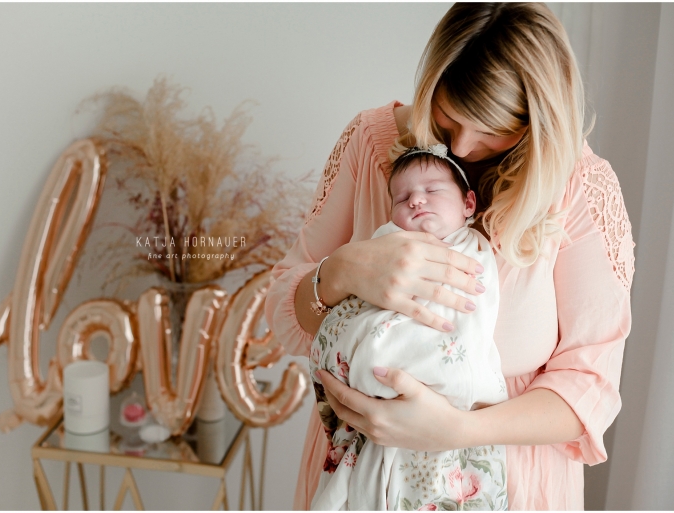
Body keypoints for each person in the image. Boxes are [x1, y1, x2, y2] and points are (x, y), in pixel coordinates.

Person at [265, 3, 635, 510]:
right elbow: (282, 314)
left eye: (492, 128)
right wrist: (342, 272)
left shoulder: (581, 191)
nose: (461, 145)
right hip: (357, 477)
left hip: (510, 480)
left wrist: (457, 430)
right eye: (451, 115)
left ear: (538, 119)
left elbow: (590, 388)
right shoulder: (371, 143)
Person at [309, 145, 508, 510]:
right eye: (402, 198)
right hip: (372, 406)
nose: (416, 200)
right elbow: (355, 311)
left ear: (468, 204)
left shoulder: (475, 249)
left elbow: (473, 319)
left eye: (432, 190)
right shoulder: (385, 244)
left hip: (453, 419)